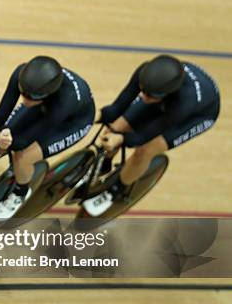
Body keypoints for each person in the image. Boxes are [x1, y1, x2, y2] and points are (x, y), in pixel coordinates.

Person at [83, 54, 220, 216]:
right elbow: (117, 108)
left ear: (164, 95)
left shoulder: (184, 103)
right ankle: (103, 165)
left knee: (145, 151)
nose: (142, 96)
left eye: (148, 94)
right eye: (143, 90)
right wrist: (96, 117)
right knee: (116, 127)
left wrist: (121, 139)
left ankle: (115, 190)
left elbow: (144, 135)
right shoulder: (146, 75)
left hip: (198, 115)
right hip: (168, 95)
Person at [0, 56, 95, 220]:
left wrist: (10, 141)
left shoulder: (65, 101)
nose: (25, 100)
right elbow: (0, 118)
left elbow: (24, 141)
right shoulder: (21, 75)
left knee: (23, 157)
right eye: (23, 94)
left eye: (31, 97)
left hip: (72, 122)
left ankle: (20, 193)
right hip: (44, 106)